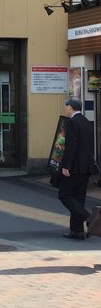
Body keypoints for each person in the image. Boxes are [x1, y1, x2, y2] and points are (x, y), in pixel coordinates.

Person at [58, 97, 97, 240]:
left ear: (70, 107)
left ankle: (90, 218)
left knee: (65, 195)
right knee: (79, 197)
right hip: (86, 166)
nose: (65, 109)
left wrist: (66, 166)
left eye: (66, 106)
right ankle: (77, 230)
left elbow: (71, 147)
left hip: (74, 166)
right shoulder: (86, 122)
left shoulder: (72, 122)